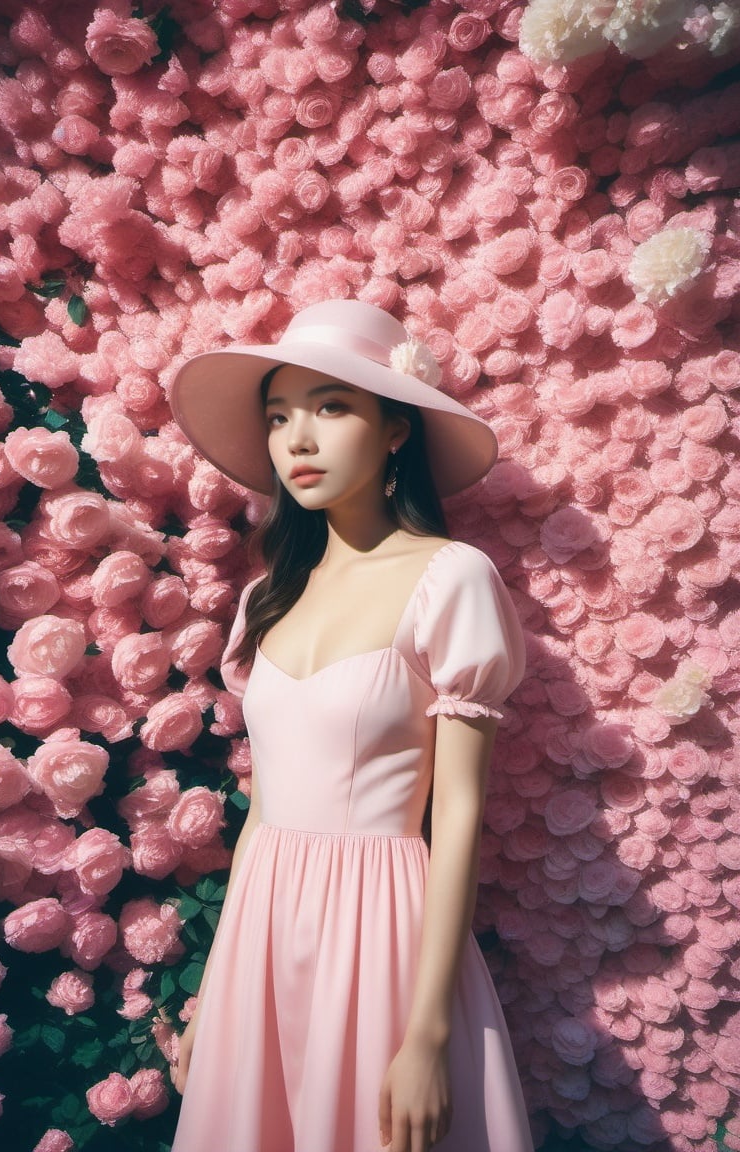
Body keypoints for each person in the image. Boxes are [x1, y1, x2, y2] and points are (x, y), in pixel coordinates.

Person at [167, 299, 534, 1152]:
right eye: (280, 415)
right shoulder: (267, 596)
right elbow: (261, 811)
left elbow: (460, 817)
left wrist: (429, 1035)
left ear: (396, 428)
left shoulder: (451, 580)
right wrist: (214, 998)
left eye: (331, 408)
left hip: (380, 943)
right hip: (263, 926)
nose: (298, 439)